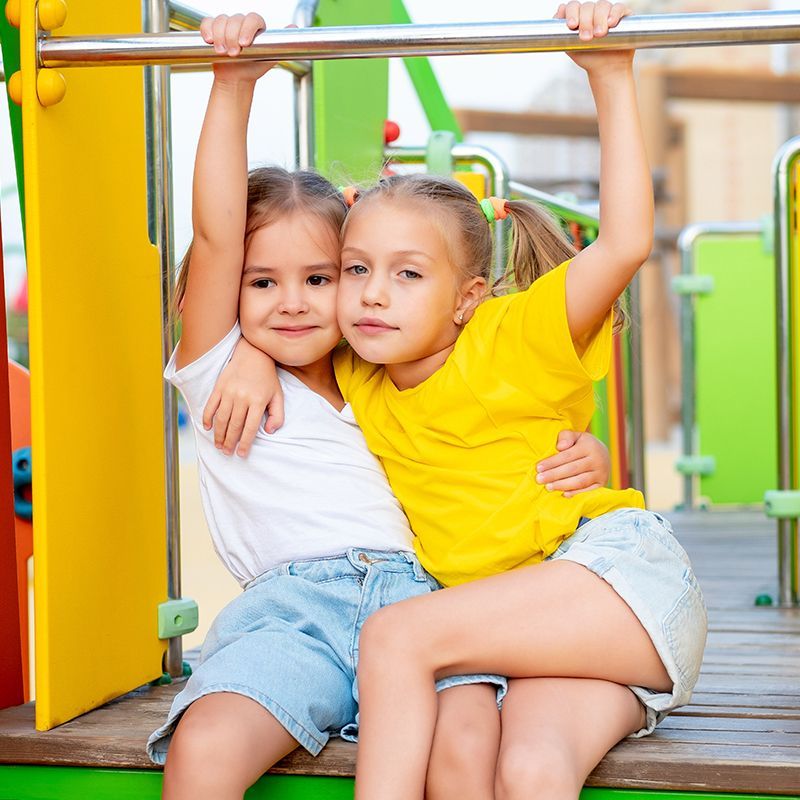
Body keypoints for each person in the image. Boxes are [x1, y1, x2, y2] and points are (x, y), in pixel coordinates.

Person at [147, 12, 612, 800]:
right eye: (262, 284)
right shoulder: (220, 367)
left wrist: (585, 454)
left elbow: (489, 425)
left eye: (321, 279)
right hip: (292, 615)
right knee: (208, 744)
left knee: (464, 751)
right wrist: (232, 88)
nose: (291, 303)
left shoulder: (380, 369)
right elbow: (217, 235)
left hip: (422, 603)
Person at [322, 3, 708, 798]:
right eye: (356, 269)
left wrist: (608, 73)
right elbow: (251, 299)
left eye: (407, 274)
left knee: (395, 638)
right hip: (531, 633)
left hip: (612, 583)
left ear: (466, 298)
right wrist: (253, 369)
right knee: (527, 770)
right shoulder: (355, 369)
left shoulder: (508, 335)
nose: (372, 296)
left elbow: (626, 241)